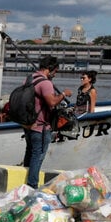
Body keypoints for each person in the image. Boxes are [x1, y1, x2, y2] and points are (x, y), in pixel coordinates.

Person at [21, 56, 72, 189]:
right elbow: (52, 102)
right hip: (41, 127)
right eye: (55, 72)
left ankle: (24, 184)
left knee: (30, 153)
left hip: (27, 124)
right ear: (50, 69)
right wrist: (64, 94)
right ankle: (32, 186)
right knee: (37, 156)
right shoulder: (46, 83)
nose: (55, 75)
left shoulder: (29, 78)